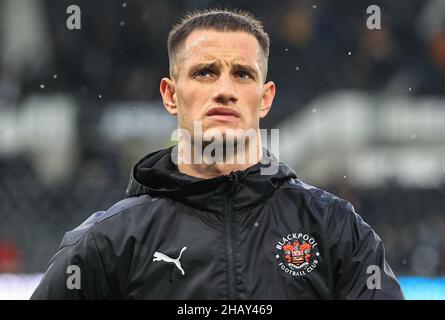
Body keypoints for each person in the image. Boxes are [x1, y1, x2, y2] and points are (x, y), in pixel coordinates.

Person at [31, 9, 404, 300]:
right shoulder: (105, 244)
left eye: (242, 74)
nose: (224, 90)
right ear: (170, 95)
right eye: (205, 73)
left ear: (266, 97)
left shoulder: (337, 232)